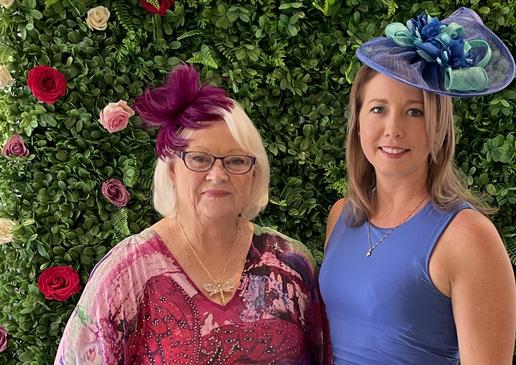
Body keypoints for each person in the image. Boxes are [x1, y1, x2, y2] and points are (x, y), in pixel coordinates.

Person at [55, 64, 324, 364]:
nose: (217, 174)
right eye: (199, 158)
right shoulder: (127, 273)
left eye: (235, 161)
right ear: (171, 169)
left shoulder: (290, 263)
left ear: (253, 174)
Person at [319, 7, 516, 365]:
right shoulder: (342, 216)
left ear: (439, 127)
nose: (393, 129)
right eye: (378, 109)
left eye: (415, 112)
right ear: (358, 122)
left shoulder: (468, 237)